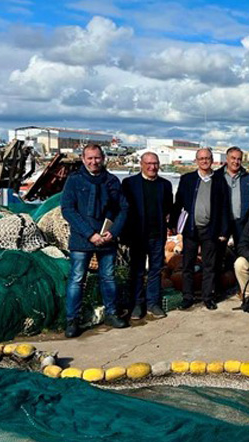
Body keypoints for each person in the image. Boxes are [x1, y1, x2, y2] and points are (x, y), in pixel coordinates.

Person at [61, 144, 129, 338]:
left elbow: (123, 209)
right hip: (82, 240)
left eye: (97, 158)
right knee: (77, 279)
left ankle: (111, 313)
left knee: (108, 277)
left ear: (103, 158)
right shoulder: (74, 181)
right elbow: (67, 209)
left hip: (106, 239)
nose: (93, 162)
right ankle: (72, 320)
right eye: (89, 158)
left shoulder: (112, 181)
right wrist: (90, 234)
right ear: (83, 159)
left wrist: (113, 232)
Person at [170, 148, 229, 310]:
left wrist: (224, 231)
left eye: (207, 158)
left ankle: (207, 297)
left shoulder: (219, 181)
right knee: (187, 265)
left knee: (209, 266)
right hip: (190, 229)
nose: (204, 161)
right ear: (196, 160)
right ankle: (187, 297)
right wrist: (173, 224)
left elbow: (224, 208)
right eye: (201, 158)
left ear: (212, 160)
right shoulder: (187, 179)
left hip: (210, 230)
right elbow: (179, 203)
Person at [121, 151, 173, 321]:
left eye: (155, 163)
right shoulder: (129, 183)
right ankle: (136, 304)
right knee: (136, 271)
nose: (152, 167)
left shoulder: (165, 185)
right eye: (149, 163)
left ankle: (153, 303)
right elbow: (124, 210)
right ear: (141, 164)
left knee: (155, 270)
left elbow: (167, 208)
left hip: (157, 234)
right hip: (137, 235)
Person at [214, 146, 249, 245]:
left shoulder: (248, 178)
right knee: (218, 252)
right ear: (227, 159)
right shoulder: (217, 176)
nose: (236, 161)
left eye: (239, 159)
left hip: (242, 222)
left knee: (243, 252)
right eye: (233, 158)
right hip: (221, 222)